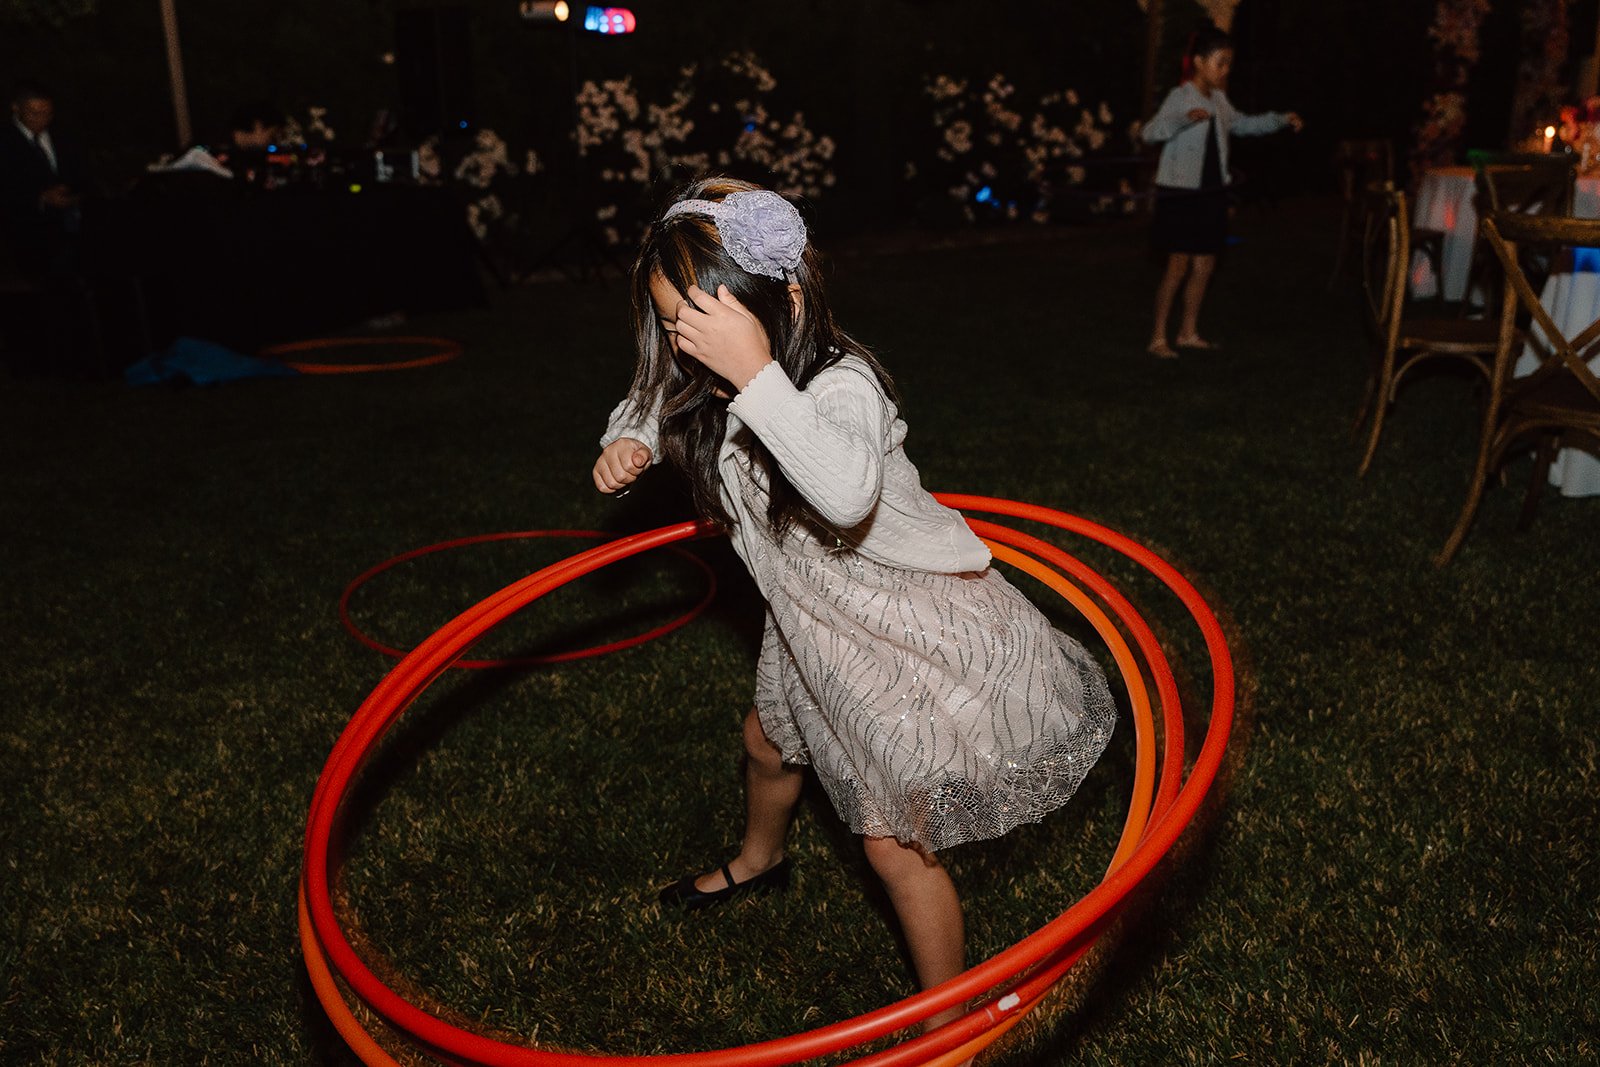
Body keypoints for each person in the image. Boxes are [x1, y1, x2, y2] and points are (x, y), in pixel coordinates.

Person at [592, 176, 1116, 1036]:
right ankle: (760, 860)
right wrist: (631, 435)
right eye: (675, 325)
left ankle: (947, 1015)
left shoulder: (842, 386)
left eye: (708, 323)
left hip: (898, 623)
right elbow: (654, 393)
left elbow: (841, 493)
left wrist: (756, 374)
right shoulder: (708, 376)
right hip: (806, 619)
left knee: (891, 841)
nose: (692, 345)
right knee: (767, 742)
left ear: (786, 297)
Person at [1140, 27, 1303, 358]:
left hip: (1212, 193)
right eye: (1221, 62)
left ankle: (1188, 332)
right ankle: (1158, 336)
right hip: (1183, 193)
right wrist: (1183, 121)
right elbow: (1150, 133)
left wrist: (1280, 119)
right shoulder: (1180, 97)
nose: (1226, 70)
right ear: (1199, 62)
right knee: (1177, 266)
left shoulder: (1219, 100)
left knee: (1204, 266)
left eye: (1229, 63)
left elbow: (1244, 124)